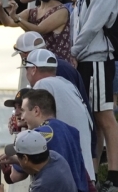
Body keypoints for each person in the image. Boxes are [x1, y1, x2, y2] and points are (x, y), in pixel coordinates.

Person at [69, 0, 118, 192]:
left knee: (105, 117)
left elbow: (94, 24)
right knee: (94, 120)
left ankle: (114, 179)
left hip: (97, 57)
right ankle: (96, 176)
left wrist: (74, 51)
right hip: (87, 57)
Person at [24, 49, 95, 181]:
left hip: (69, 176)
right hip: (85, 173)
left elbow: (36, 127)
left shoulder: (42, 84)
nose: (26, 73)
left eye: (26, 69)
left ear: (33, 69)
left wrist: (21, 125)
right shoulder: (67, 84)